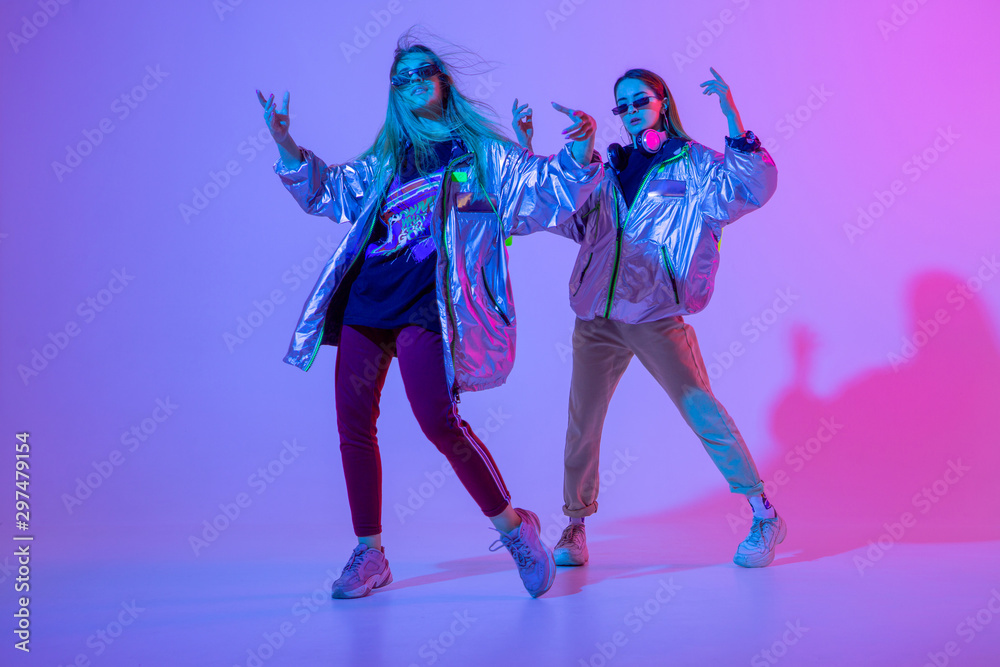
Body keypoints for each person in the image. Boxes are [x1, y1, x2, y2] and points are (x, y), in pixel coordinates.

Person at [256, 36, 600, 599]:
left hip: (429, 306)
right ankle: (370, 554)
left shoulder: (480, 153)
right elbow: (331, 194)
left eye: (422, 73)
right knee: (352, 425)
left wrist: (580, 154)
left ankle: (514, 530)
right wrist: (285, 141)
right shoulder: (390, 156)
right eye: (401, 79)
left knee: (438, 420)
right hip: (369, 301)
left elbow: (537, 190)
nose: (412, 82)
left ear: (442, 80)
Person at [512, 68, 782, 568]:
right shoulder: (606, 168)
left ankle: (762, 512)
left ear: (663, 103)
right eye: (624, 105)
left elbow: (754, 187)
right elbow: (561, 214)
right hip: (596, 316)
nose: (633, 111)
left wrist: (733, 119)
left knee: (701, 409)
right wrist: (531, 153)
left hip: (655, 314)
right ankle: (575, 524)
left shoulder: (695, 164)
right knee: (582, 423)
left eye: (642, 100)